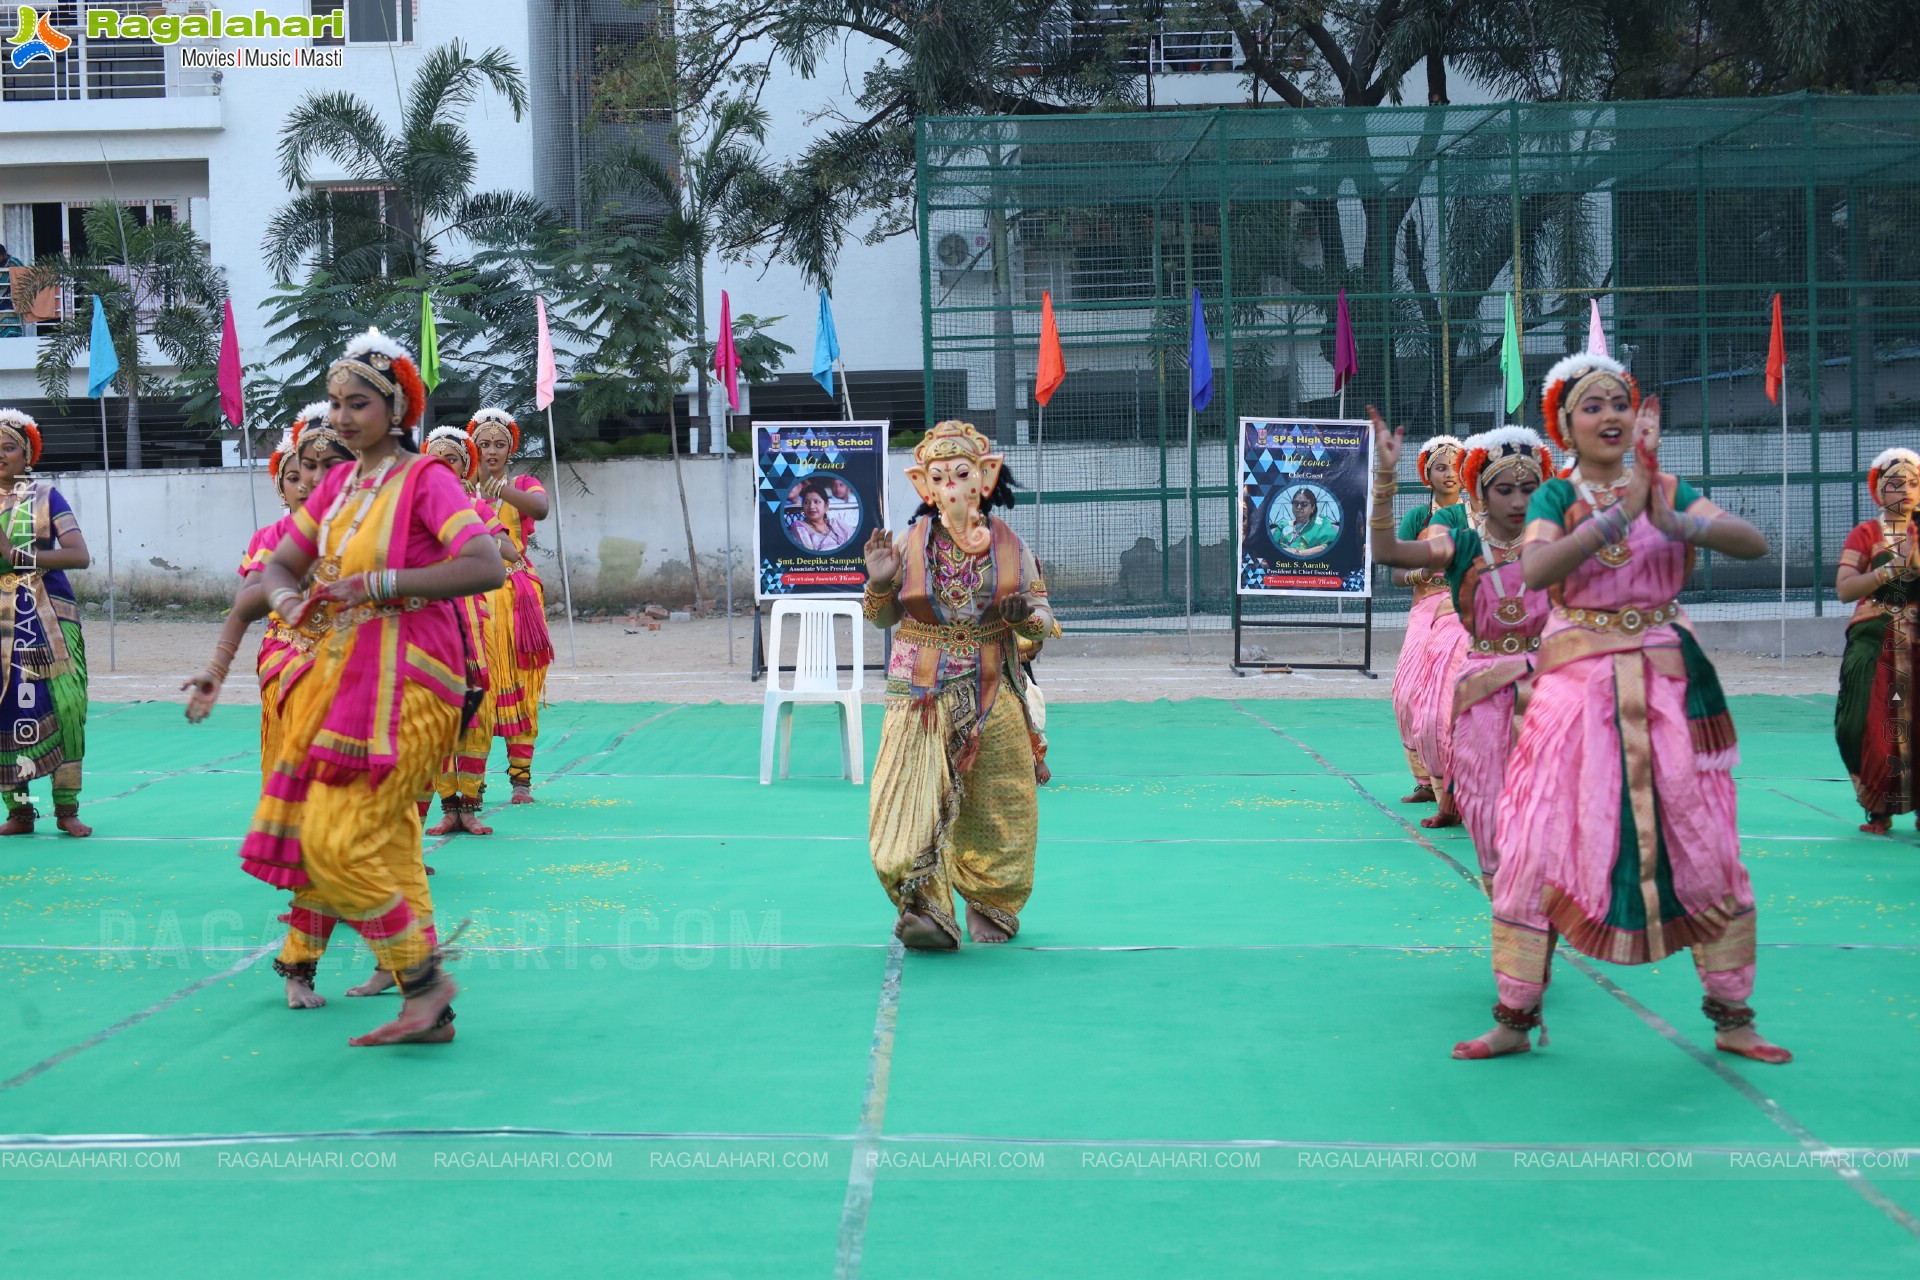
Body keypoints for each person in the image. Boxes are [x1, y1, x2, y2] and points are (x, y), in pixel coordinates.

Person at [1458, 352, 1790, 1065]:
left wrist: (1674, 519)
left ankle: (1732, 1013)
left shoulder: (1669, 489)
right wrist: (1614, 522)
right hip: (1575, 695)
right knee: (1537, 845)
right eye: (1592, 405)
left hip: (1672, 690)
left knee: (1707, 845)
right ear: (1567, 430)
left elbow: (1754, 543)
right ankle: (1514, 1016)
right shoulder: (1554, 499)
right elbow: (1539, 570)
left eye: (1619, 402)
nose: (1609, 413)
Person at [240, 329, 504, 1046]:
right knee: (382, 844)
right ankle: (429, 1009)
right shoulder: (338, 484)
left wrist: (376, 585)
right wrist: (288, 598)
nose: (342, 417)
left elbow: (485, 564)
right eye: (333, 404)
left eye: (358, 404)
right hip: (347, 677)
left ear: (396, 409)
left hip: (415, 678)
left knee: (333, 843)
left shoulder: (427, 479)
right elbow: (278, 564)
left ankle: (421, 982)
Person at [861, 420, 1052, 950]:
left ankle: (992, 902)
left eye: (961, 474)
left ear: (984, 480)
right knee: (907, 800)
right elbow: (882, 617)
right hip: (921, 688)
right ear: (925, 487)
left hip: (994, 684)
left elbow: (1044, 621)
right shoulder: (910, 542)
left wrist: (1020, 619)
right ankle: (927, 909)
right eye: (939, 478)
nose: (951, 487)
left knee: (1003, 803)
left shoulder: (1013, 550)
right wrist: (879, 583)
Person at [1372, 423, 1553, 885]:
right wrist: (1385, 481)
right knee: (1433, 716)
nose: (1516, 500)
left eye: (1528, 489)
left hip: (1542, 680)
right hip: (1479, 671)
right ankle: (1448, 802)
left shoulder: (1552, 540)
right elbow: (1389, 551)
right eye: (1504, 489)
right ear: (1482, 491)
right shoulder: (1463, 539)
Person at [184, 406, 351, 780]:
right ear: (282, 484)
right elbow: (244, 606)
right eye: (299, 472)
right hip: (291, 657)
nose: (310, 482)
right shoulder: (274, 538)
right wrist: (217, 667)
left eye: (332, 465)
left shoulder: (378, 525)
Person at [423, 423, 519, 835]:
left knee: (474, 715)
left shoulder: (477, 510)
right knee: (438, 715)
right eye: (436, 460)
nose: (444, 466)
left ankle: (470, 806)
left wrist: (477, 535)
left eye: (453, 460)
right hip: (429, 625)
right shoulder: (416, 512)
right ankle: (448, 807)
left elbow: (511, 552)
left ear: (465, 468)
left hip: (472, 628)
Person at [0, 410, 92, 838]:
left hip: (48, 615)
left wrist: (19, 557)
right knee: (6, 710)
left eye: (8, 447)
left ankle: (66, 807)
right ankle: (19, 812)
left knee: (67, 705)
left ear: (27, 455)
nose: (0, 456)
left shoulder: (45, 496)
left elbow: (78, 555)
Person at [468, 408, 553, 802]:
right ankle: (472, 782)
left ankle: (521, 779)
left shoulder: (522, 484)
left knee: (521, 684)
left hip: (517, 595)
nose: (490, 452)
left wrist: (497, 488)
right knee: (477, 687)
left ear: (510, 449)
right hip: (475, 596)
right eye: (483, 444)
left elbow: (540, 509)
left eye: (499, 445)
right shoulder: (459, 490)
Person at [1834, 448, 1920, 834]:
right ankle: (1877, 807)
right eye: (1896, 483)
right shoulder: (1865, 534)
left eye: (1914, 483)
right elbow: (1844, 589)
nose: (1905, 491)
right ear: (1878, 490)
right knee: (1857, 725)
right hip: (1872, 636)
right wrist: (1890, 571)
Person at [1389, 434, 1463, 805]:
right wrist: (1423, 574)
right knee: (1405, 693)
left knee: (1448, 696)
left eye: (1456, 466)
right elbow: (1397, 573)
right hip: (1426, 607)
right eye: (1441, 467)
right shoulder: (1419, 516)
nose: (1450, 473)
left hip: (1466, 609)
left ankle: (1456, 780)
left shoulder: (1478, 513)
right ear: (1427, 475)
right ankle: (1424, 779)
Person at [788, 474, 856, 551]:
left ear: (826, 506)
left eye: (816, 502)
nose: (811, 507)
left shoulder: (835, 523)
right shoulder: (799, 527)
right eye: (806, 502)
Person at [1274, 486, 1340, 557]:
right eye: (1296, 503)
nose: (1299, 507)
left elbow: (1328, 546)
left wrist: (1299, 553)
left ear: (1312, 507)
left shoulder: (1321, 524)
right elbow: (1271, 548)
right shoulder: (1283, 525)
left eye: (1304, 504)